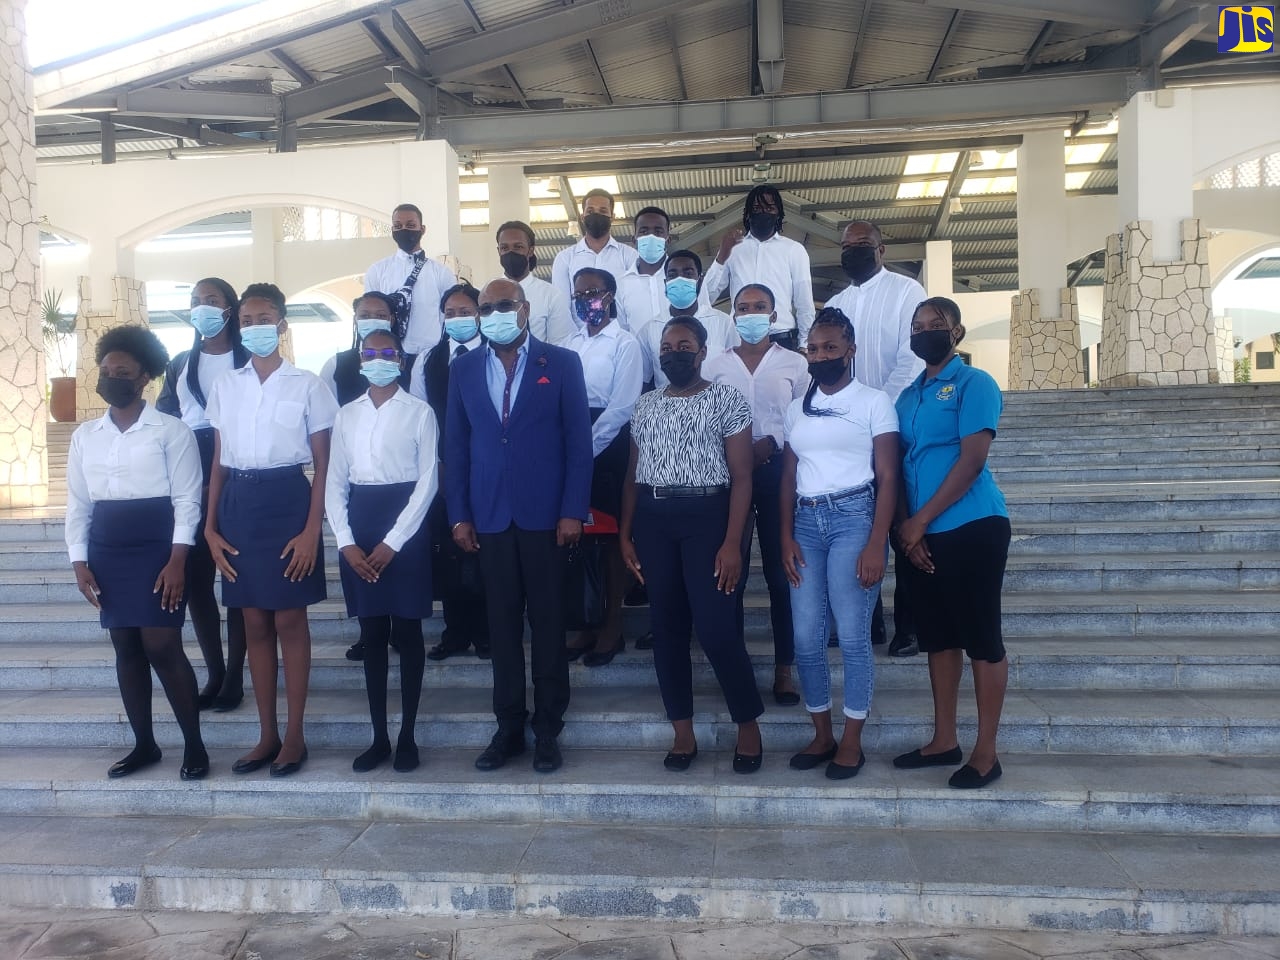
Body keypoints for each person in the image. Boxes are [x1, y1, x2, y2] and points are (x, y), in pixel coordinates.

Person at [445, 277, 593, 774]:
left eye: (503, 305)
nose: (493, 314)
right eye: (485, 308)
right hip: (488, 517)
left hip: (547, 518)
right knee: (502, 627)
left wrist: (573, 509)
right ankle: (508, 727)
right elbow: (456, 448)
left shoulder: (562, 363)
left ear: (525, 309)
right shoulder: (464, 369)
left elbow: (579, 443)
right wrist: (459, 513)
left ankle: (548, 728)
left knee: (548, 625)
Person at [205, 282, 339, 778]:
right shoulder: (227, 385)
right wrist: (210, 526)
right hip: (238, 505)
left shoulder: (308, 385)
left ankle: (296, 735)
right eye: (246, 320)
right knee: (252, 623)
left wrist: (311, 531)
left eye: (264, 319)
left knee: (288, 622)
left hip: (287, 500)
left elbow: (324, 464)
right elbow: (218, 460)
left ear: (282, 325)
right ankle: (266, 733)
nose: (255, 327)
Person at [619, 316, 764, 774]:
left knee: (718, 629)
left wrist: (733, 543)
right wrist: (625, 533)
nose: (673, 352)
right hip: (653, 519)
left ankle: (748, 724)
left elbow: (742, 476)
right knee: (666, 630)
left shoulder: (726, 398)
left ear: (702, 352)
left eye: (684, 345)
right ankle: (682, 731)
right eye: (666, 346)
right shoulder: (644, 406)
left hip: (708, 518)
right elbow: (631, 476)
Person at [66, 325, 208, 780]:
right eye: (105, 370)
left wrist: (178, 559)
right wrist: (78, 560)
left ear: (144, 375)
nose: (111, 377)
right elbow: (79, 502)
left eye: (121, 371)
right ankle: (144, 745)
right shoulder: (85, 435)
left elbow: (188, 499)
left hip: (159, 545)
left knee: (161, 643)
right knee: (125, 645)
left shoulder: (172, 430)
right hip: (107, 547)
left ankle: (194, 744)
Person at [892, 296, 1010, 790]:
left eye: (935, 324)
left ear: (956, 332)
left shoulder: (973, 383)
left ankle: (986, 752)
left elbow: (972, 460)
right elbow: (896, 465)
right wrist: (907, 528)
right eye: (917, 326)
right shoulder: (906, 396)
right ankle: (944, 740)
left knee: (981, 638)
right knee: (938, 639)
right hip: (921, 534)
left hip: (972, 526)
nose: (925, 332)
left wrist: (920, 521)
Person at [779, 307, 899, 780]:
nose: (821, 355)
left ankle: (852, 739)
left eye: (831, 347)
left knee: (851, 636)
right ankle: (822, 733)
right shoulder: (796, 408)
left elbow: (888, 477)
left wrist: (876, 542)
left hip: (855, 517)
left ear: (850, 350)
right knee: (806, 637)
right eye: (813, 348)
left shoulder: (873, 402)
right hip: (806, 522)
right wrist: (785, 533)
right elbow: (788, 474)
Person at [327, 325, 439, 773]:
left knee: (407, 634)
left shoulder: (419, 412)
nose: (378, 359)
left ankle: (408, 734)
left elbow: (429, 480)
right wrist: (347, 542)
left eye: (386, 351)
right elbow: (334, 482)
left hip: (404, 527)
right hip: (360, 523)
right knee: (372, 636)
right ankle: (379, 737)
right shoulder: (345, 415)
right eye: (369, 353)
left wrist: (394, 541)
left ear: (401, 358)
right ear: (359, 359)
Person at [824, 220, 928, 658]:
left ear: (881, 249)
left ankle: (911, 625)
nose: (854, 252)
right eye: (847, 246)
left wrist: (876, 411)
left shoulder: (907, 293)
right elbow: (829, 361)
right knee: (858, 526)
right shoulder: (835, 302)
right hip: (850, 434)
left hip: (896, 425)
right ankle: (869, 620)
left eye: (862, 245)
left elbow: (910, 358)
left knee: (901, 525)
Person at [703, 283, 808, 707]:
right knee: (733, 574)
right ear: (733, 315)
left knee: (781, 576)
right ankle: (737, 666)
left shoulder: (796, 363)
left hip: (778, 473)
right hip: (729, 477)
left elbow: (805, 417)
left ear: (773, 313)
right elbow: (704, 421)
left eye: (758, 307)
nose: (749, 313)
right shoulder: (714, 366)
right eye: (742, 307)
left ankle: (785, 669)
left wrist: (773, 442)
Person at [155, 277, 248, 712]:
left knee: (235, 577)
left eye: (211, 300)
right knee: (197, 583)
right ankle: (213, 671)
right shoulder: (180, 363)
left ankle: (234, 676)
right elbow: (165, 417)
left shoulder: (249, 357)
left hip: (237, 465)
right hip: (190, 463)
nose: (202, 307)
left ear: (230, 307)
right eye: (195, 301)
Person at [565, 267, 644, 666]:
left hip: (608, 447)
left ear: (610, 296)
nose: (585, 299)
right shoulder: (568, 343)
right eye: (578, 293)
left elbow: (623, 405)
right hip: (570, 448)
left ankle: (611, 627)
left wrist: (585, 449)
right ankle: (585, 622)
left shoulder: (625, 343)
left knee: (611, 540)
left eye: (592, 292)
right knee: (579, 538)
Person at [411, 283, 490, 662]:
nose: (457, 318)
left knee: (488, 551)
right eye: (450, 312)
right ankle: (455, 631)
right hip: (445, 468)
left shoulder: (496, 352)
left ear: (480, 314)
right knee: (450, 554)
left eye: (465, 311)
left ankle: (488, 632)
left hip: (490, 468)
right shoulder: (428, 359)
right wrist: (436, 467)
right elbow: (421, 416)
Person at [703, 186, 815, 349]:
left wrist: (805, 345)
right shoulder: (733, 248)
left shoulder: (794, 249)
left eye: (769, 208)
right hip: (739, 339)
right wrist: (722, 257)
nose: (763, 212)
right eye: (757, 208)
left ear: (778, 213)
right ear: (748, 213)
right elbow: (707, 297)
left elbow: (804, 302)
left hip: (781, 338)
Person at [363, 202, 458, 361]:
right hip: (390, 356)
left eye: (411, 225)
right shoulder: (377, 271)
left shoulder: (441, 272)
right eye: (398, 226)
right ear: (392, 230)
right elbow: (370, 315)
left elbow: (448, 316)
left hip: (431, 356)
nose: (404, 230)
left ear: (422, 229)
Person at [641, 250, 740, 389]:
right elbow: (644, 380)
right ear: (665, 283)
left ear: (699, 281)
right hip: (668, 407)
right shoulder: (649, 329)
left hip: (716, 407)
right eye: (672, 275)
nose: (680, 279)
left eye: (688, 273)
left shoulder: (724, 323)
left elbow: (737, 372)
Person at [320, 292, 412, 407]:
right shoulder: (335, 364)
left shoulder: (412, 363)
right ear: (355, 320)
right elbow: (327, 409)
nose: (373, 320)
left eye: (381, 316)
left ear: (391, 320)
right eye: (365, 316)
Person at [551, 188, 637, 306]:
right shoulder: (564, 258)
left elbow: (635, 299)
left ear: (612, 217)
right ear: (582, 217)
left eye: (603, 211)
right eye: (590, 211)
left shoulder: (629, 256)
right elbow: (561, 306)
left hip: (619, 324)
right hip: (578, 325)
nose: (596, 215)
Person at [496, 220, 575, 345]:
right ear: (498, 251)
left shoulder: (551, 295)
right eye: (504, 248)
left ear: (531, 250)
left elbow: (562, 344)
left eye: (518, 247)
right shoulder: (486, 295)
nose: (511, 252)